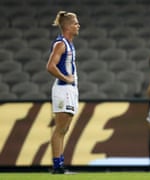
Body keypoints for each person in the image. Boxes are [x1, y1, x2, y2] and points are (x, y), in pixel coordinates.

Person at [46, 11, 80, 174]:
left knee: (64, 129)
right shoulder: (61, 44)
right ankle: (57, 166)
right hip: (62, 89)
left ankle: (59, 164)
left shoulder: (69, 43)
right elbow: (50, 66)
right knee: (60, 129)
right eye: (75, 23)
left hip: (69, 90)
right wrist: (65, 78)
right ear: (67, 26)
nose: (78, 25)